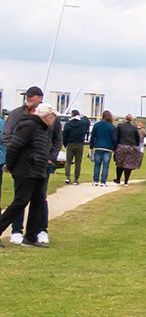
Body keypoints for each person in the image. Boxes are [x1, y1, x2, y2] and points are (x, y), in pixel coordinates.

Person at [0, 102, 58, 247]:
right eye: (53, 117)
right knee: (20, 202)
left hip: (38, 171)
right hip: (25, 171)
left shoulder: (43, 128)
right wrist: (12, 167)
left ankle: (30, 237)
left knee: (38, 203)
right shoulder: (29, 125)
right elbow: (15, 147)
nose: (54, 120)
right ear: (46, 116)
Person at [88, 109, 116, 185]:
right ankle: (103, 182)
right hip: (108, 148)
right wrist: (114, 148)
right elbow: (114, 139)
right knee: (105, 165)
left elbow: (92, 137)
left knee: (97, 164)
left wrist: (91, 147)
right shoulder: (112, 127)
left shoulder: (97, 125)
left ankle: (95, 180)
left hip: (98, 146)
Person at [61, 110, 89, 184]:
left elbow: (64, 135)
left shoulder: (68, 124)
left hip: (70, 144)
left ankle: (67, 177)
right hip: (79, 144)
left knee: (68, 162)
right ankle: (76, 179)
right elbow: (86, 128)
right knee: (78, 162)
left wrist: (65, 144)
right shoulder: (83, 124)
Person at [114, 113, 143, 183]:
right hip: (132, 147)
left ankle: (118, 179)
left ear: (125, 119)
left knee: (120, 163)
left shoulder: (120, 126)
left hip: (121, 146)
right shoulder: (134, 128)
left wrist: (115, 146)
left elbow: (116, 136)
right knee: (128, 164)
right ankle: (126, 181)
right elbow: (137, 138)